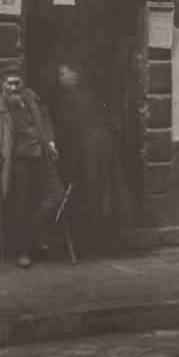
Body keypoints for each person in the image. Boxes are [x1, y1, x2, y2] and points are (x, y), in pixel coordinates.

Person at [0, 67, 65, 269]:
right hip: (18, 163)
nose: (13, 87)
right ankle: (22, 251)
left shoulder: (31, 96)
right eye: (9, 83)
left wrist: (50, 142)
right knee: (19, 207)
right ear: (3, 85)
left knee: (57, 195)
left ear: (23, 83)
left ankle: (33, 234)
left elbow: (45, 117)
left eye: (17, 82)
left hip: (42, 157)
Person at [56, 61, 137, 256]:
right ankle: (110, 242)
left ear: (72, 76)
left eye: (63, 74)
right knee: (106, 192)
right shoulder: (84, 93)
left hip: (89, 150)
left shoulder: (72, 97)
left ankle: (101, 242)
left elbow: (68, 127)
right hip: (100, 146)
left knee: (96, 192)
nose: (61, 78)